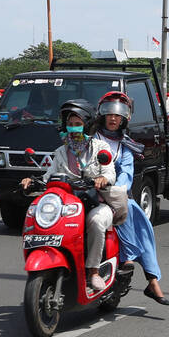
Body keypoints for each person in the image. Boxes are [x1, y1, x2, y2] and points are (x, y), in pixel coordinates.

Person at [21, 99, 115, 291]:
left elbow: (109, 172)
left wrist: (102, 179)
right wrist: (31, 181)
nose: (73, 129)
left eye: (78, 124)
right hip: (67, 206)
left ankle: (94, 271)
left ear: (87, 126)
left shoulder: (100, 148)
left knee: (96, 222)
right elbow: (48, 176)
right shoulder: (61, 151)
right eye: (70, 125)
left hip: (95, 202)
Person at [94, 91, 169, 306]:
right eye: (108, 112)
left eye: (118, 114)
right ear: (101, 114)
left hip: (115, 195)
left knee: (142, 225)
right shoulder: (91, 141)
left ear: (125, 119)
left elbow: (126, 175)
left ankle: (151, 279)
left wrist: (115, 190)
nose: (112, 117)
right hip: (88, 193)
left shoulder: (126, 147)